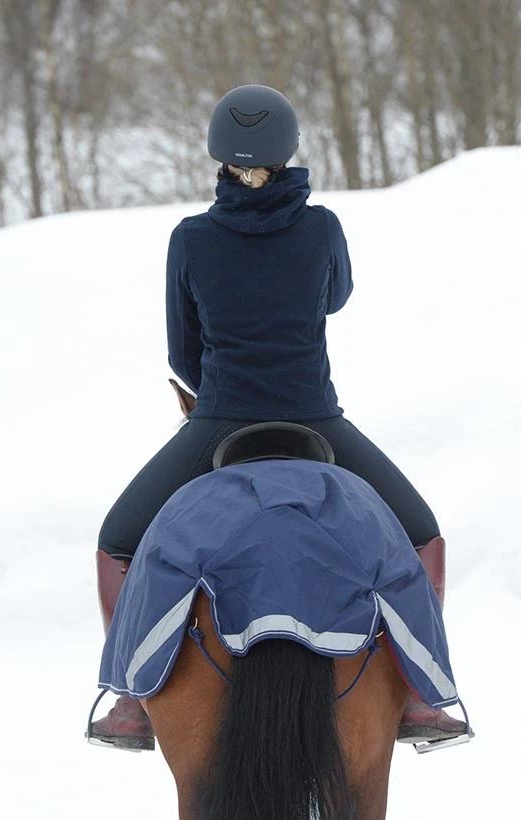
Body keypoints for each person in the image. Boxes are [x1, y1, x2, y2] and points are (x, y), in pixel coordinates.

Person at [90, 83, 466, 752]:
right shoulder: (322, 228)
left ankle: (132, 698)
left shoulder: (191, 239)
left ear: (219, 157)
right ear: (289, 150)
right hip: (316, 422)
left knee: (118, 539)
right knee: (420, 534)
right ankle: (415, 693)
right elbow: (337, 297)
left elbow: (182, 348)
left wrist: (220, 395)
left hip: (217, 424)